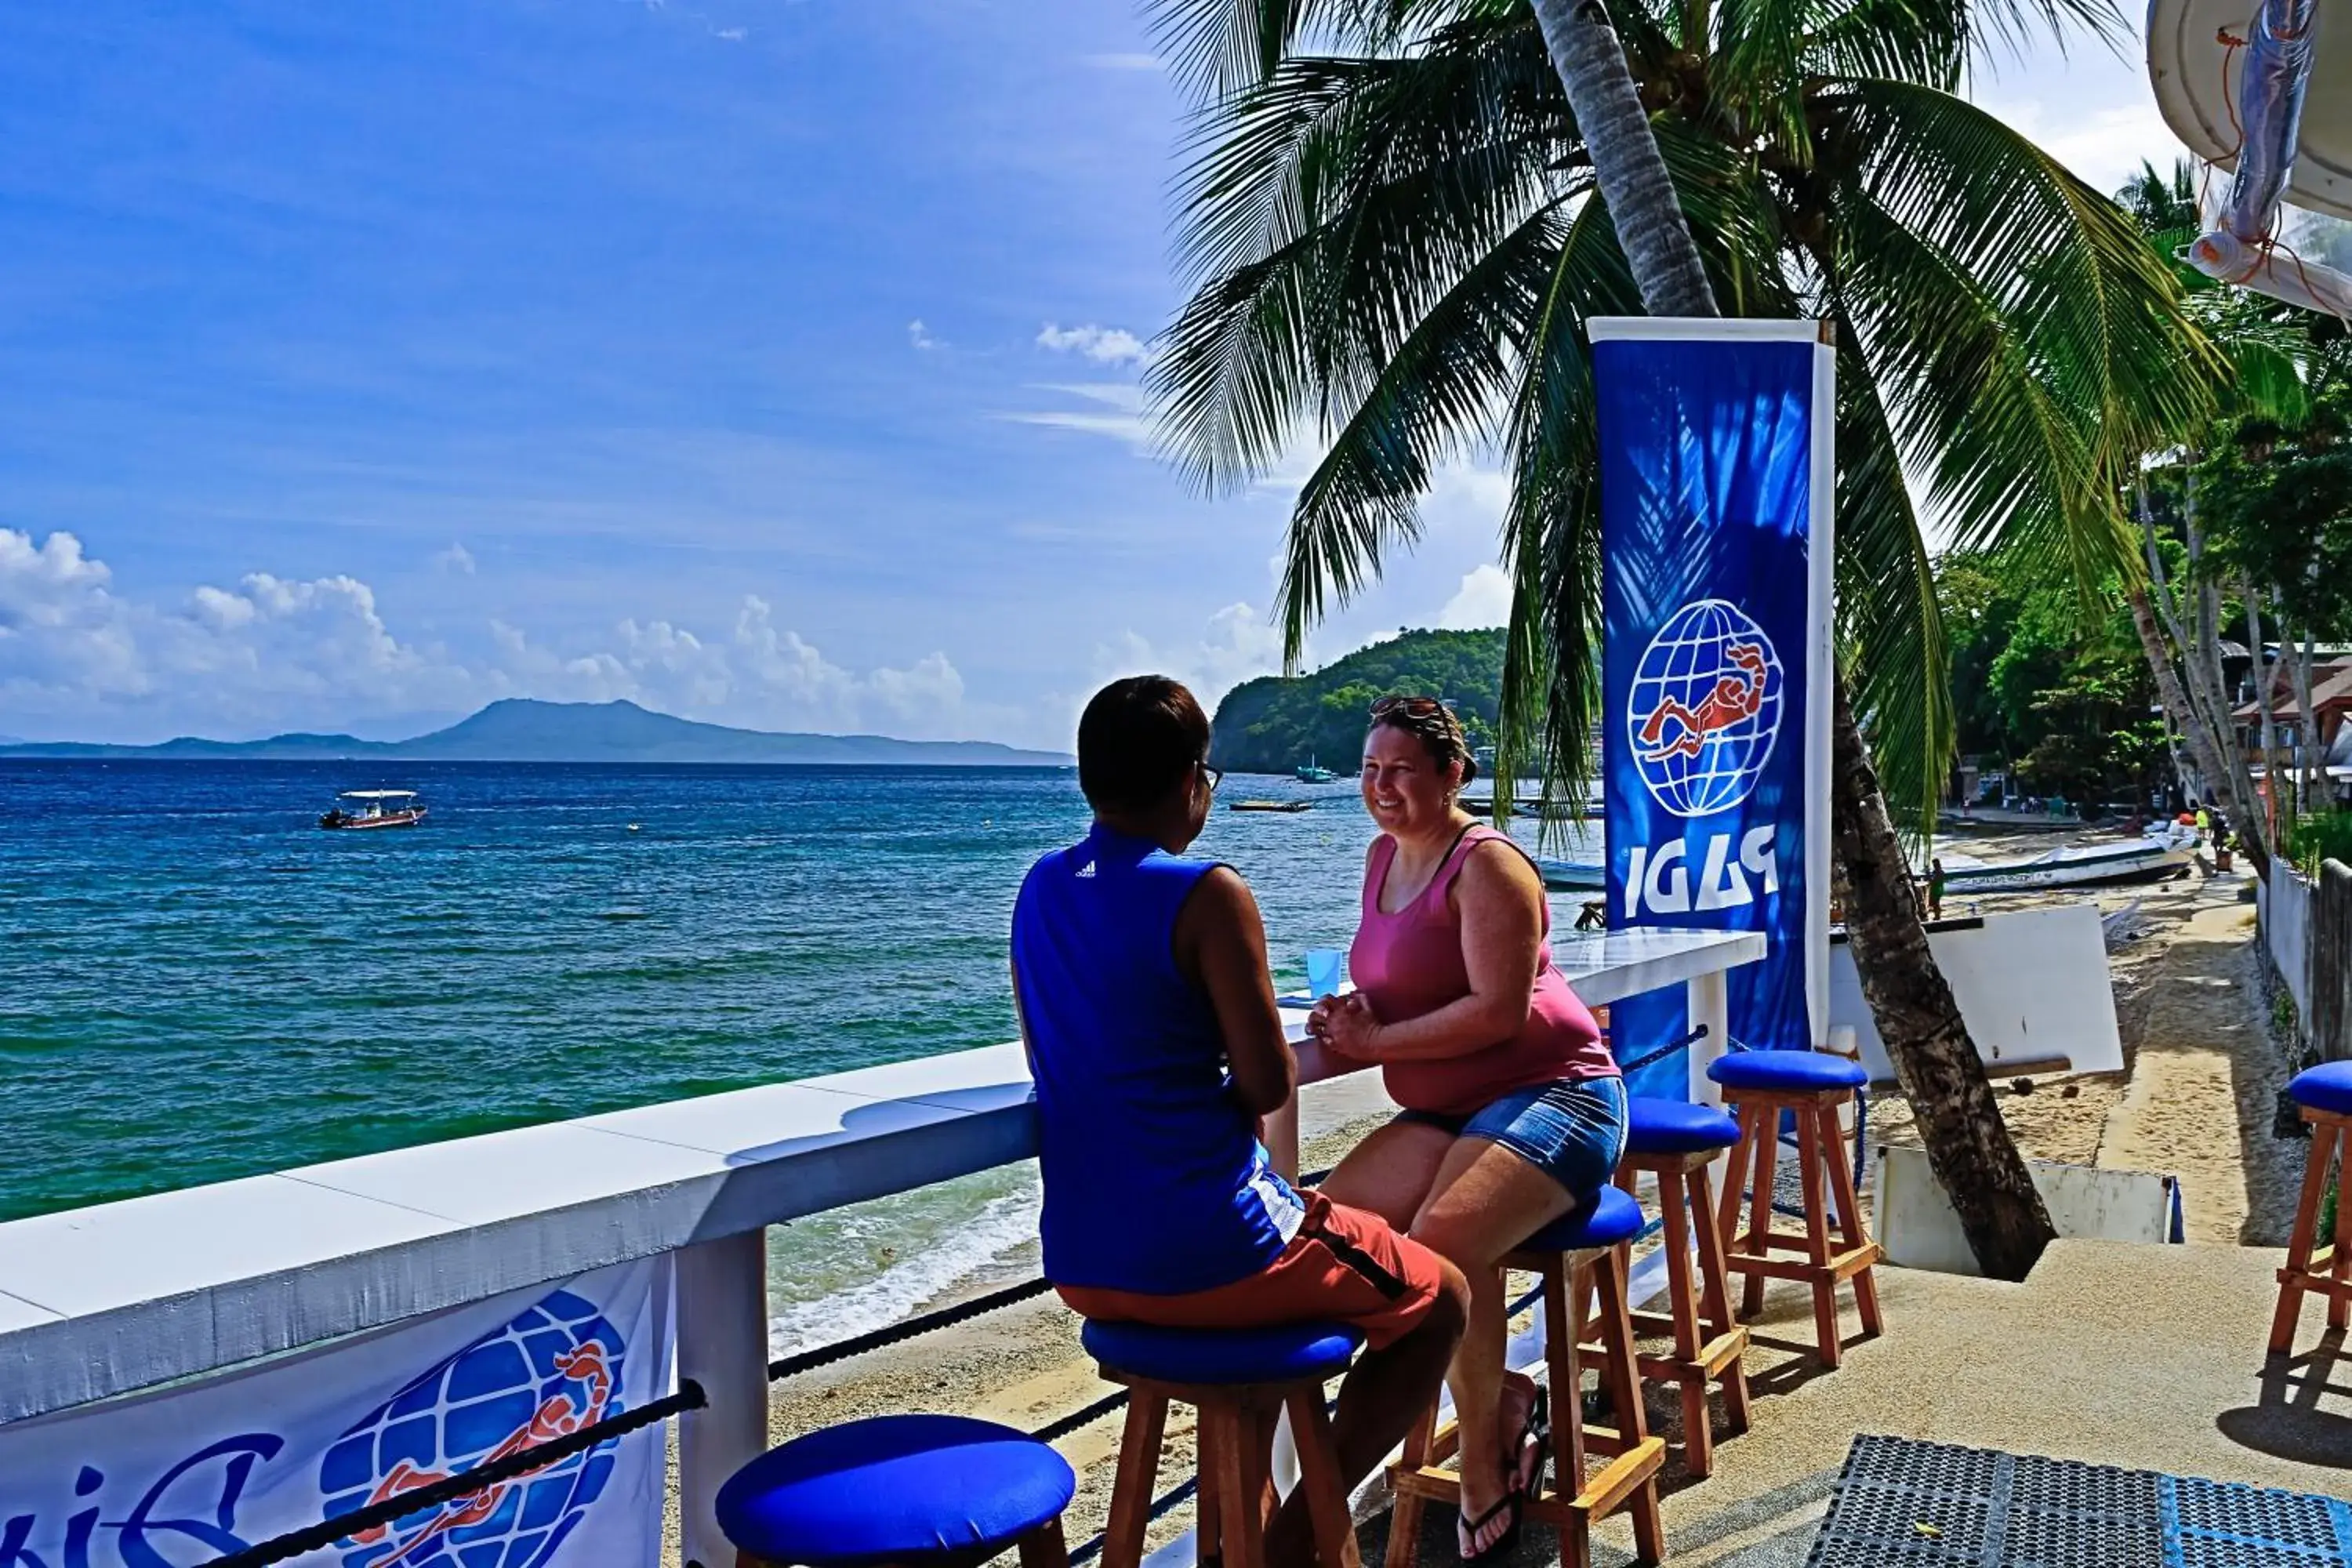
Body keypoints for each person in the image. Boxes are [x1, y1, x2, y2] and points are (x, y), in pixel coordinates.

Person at [1011, 676, 1469, 1568]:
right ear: (1194, 783)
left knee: (1303, 1302)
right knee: (1441, 1298)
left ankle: (1239, 1536)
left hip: (1082, 1257)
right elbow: (1264, 1081)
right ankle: (1287, 1546)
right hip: (1215, 1248)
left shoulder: (1041, 886)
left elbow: (1055, 1052)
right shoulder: (1208, 891)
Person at [1308, 695, 1624, 1563]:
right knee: (1332, 1227)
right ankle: (1503, 1389)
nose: (1381, 787)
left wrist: (1374, 1043)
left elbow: (1494, 1012)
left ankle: (1483, 1460)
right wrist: (1355, 1011)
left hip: (1558, 1094)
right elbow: (1406, 976)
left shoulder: (1489, 865)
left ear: (1452, 773)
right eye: (1370, 770)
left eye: (1401, 769)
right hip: (1445, 1108)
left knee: (1441, 1243)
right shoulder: (1382, 856)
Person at [1928, 856, 1947, 921]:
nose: (1934, 866)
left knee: (1936, 903)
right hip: (1937, 889)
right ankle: (1937, 916)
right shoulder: (1938, 872)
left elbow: (1934, 881)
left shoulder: (1939, 872)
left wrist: (1929, 877)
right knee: (1936, 903)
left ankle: (1937, 917)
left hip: (1937, 889)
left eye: (1935, 865)